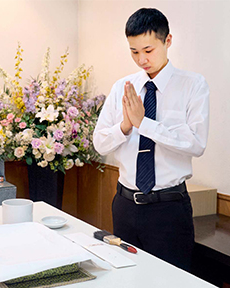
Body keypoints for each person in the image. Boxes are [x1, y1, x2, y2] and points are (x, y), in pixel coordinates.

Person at [93, 7, 209, 271]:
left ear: (167, 41)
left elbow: (196, 143)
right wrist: (124, 125)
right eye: (134, 52)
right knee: (125, 278)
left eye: (148, 50)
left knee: (168, 280)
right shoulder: (123, 86)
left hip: (168, 210)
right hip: (124, 205)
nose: (141, 59)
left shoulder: (193, 85)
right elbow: (99, 143)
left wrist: (144, 124)